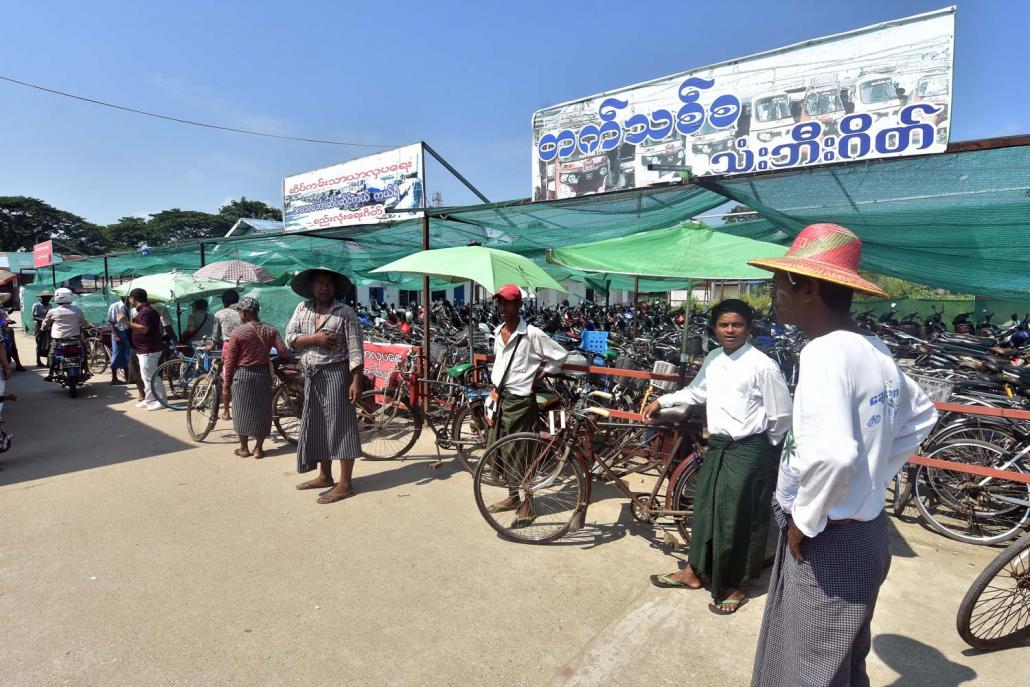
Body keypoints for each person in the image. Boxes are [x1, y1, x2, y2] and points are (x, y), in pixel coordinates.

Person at [747, 224, 938, 687]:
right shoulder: (872, 347)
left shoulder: (826, 353)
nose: (772, 293)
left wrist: (805, 519)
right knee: (842, 660)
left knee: (808, 667)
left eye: (779, 282)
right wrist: (872, 479)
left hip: (828, 538)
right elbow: (922, 416)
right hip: (863, 531)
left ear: (808, 288)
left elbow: (833, 454)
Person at [645, 299, 792, 615]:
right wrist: (663, 401)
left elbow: (782, 415)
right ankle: (694, 571)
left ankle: (737, 585)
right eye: (724, 325)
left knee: (741, 518)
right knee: (706, 509)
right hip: (719, 446)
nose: (730, 330)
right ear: (714, 329)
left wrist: (763, 451)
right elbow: (697, 392)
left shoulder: (762, 365)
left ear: (748, 328)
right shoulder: (713, 358)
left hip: (751, 450)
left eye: (737, 324)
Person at [485, 284, 569, 527]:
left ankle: (528, 504)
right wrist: (494, 389)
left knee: (522, 453)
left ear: (519, 305)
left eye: (508, 302)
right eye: (500, 302)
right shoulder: (498, 331)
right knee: (500, 451)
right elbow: (500, 364)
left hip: (521, 403)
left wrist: (541, 374)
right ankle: (513, 497)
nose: (502, 307)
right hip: (500, 400)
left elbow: (560, 356)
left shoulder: (532, 334)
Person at [285, 268, 364, 504]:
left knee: (341, 427)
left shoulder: (345, 312)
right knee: (317, 425)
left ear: (335, 288)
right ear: (312, 287)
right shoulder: (303, 308)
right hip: (311, 375)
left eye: (329, 283)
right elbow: (289, 337)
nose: (325, 287)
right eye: (320, 283)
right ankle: (325, 476)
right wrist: (314, 339)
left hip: (337, 375)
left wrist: (356, 380)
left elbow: (356, 349)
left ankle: (346, 483)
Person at [221, 297, 287, 460]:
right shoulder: (271, 330)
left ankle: (244, 448)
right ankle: (258, 448)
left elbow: (231, 361)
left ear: (243, 312)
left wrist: (227, 383)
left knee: (241, 411)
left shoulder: (238, 332)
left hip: (243, 375)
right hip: (263, 375)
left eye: (239, 311)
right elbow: (283, 352)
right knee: (263, 412)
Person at [120, 288, 167, 411]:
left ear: (133, 299)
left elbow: (143, 329)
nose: (129, 300)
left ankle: (162, 400)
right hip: (143, 349)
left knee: (151, 376)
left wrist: (125, 321)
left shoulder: (146, 311)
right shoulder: (142, 311)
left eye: (130, 298)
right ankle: (150, 399)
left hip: (149, 349)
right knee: (146, 376)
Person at [41, 288, 89, 381]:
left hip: (59, 340)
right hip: (75, 339)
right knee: (83, 352)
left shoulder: (52, 311)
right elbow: (85, 323)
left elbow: (45, 324)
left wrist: (43, 328)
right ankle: (86, 369)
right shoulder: (77, 310)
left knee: (52, 353)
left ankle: (51, 372)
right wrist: (87, 326)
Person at [106, 296, 132, 384]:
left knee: (127, 355)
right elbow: (110, 322)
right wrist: (115, 336)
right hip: (119, 332)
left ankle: (127, 377)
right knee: (116, 355)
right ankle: (114, 378)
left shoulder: (131, 307)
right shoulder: (115, 306)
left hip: (128, 332)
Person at [32, 291, 53, 367]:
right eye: (47, 297)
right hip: (39, 327)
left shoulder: (50, 305)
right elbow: (35, 317)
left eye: (50, 297)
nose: (49, 299)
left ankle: (48, 361)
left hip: (48, 327)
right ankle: (38, 360)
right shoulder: (37, 305)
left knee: (49, 344)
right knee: (39, 343)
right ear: (42, 298)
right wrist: (44, 320)